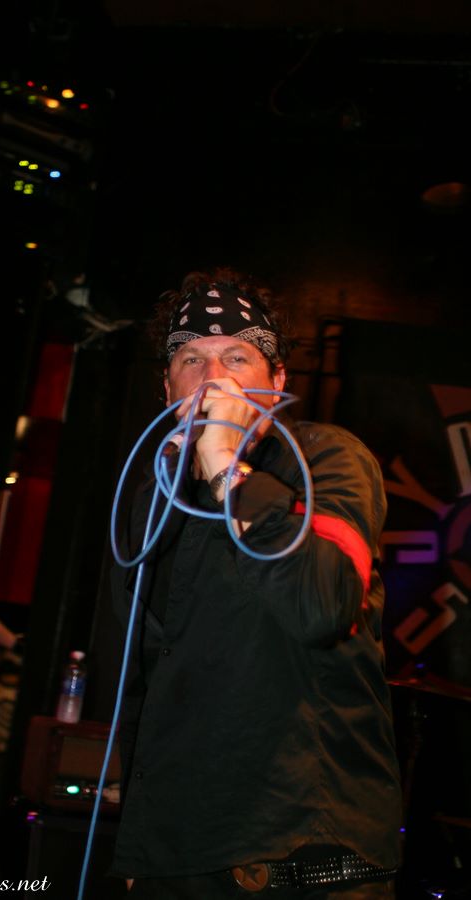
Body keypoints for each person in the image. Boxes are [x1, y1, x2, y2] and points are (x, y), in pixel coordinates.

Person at [110, 267, 403, 899]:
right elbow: (147, 673)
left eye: (237, 357)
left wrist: (226, 465)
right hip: (177, 849)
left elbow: (322, 606)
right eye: (191, 359)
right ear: (167, 388)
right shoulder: (153, 495)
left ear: (278, 382)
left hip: (296, 851)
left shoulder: (328, 459)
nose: (213, 376)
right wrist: (140, 834)